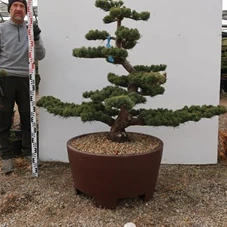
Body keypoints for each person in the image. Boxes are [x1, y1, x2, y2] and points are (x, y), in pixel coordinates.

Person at [0, 0, 46, 174]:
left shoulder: (31, 29)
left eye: (22, 6)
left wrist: (36, 37)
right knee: (3, 120)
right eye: (15, 6)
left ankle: (29, 153)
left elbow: (40, 55)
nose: (19, 9)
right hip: (5, 80)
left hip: (27, 79)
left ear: (27, 11)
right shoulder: (1, 29)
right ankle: (6, 157)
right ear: (10, 9)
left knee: (28, 119)